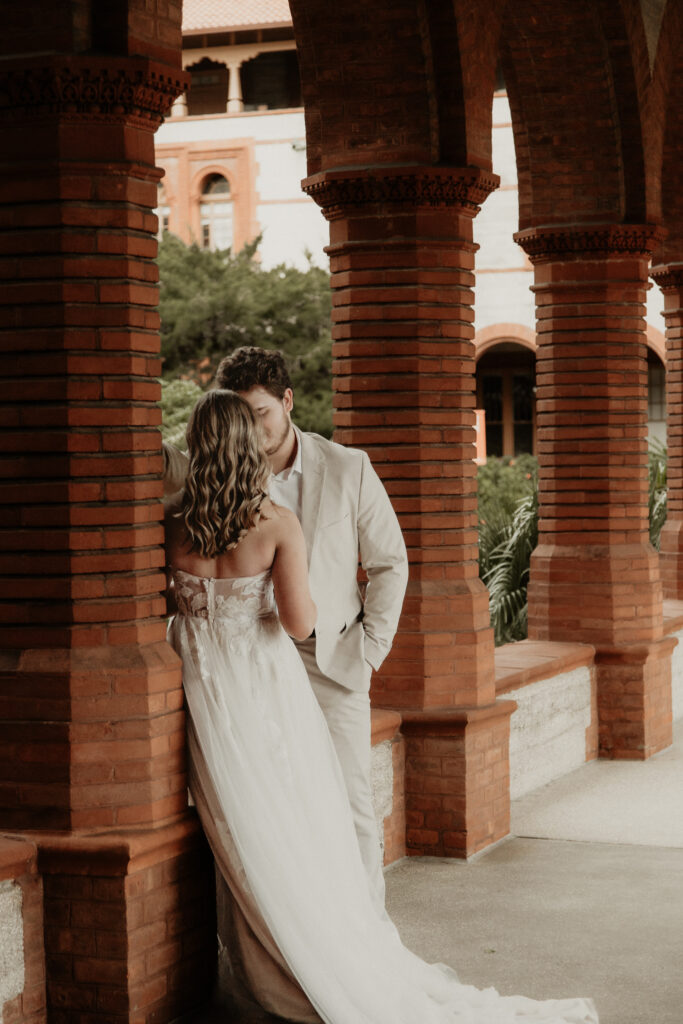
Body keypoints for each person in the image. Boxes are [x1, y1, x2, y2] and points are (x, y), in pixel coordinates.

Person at [165, 388, 599, 1024]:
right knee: (299, 825)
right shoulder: (275, 521)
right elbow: (295, 623)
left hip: (201, 694)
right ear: (243, 443)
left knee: (241, 829)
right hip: (265, 686)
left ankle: (263, 963)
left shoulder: (171, 523)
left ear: (197, 443)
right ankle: (327, 950)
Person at [166, 345, 409, 906]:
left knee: (347, 804)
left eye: (262, 415)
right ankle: (299, 925)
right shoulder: (201, 472)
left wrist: (370, 650)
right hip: (244, 668)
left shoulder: (349, 468)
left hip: (330, 660)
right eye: (241, 418)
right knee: (268, 805)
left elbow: (389, 564)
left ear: (287, 401)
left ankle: (366, 924)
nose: (251, 431)